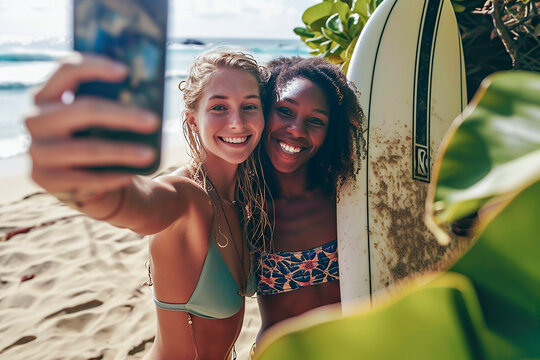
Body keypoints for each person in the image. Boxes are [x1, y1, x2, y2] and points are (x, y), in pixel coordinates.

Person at [25, 49, 270, 359]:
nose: (237, 122)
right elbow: (139, 204)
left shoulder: (245, 197)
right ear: (193, 121)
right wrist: (83, 183)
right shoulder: (187, 197)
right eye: (219, 107)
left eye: (250, 106)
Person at [253, 57, 365, 336]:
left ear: (331, 131)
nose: (297, 130)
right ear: (264, 112)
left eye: (316, 121)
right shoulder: (246, 206)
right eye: (285, 111)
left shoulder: (345, 196)